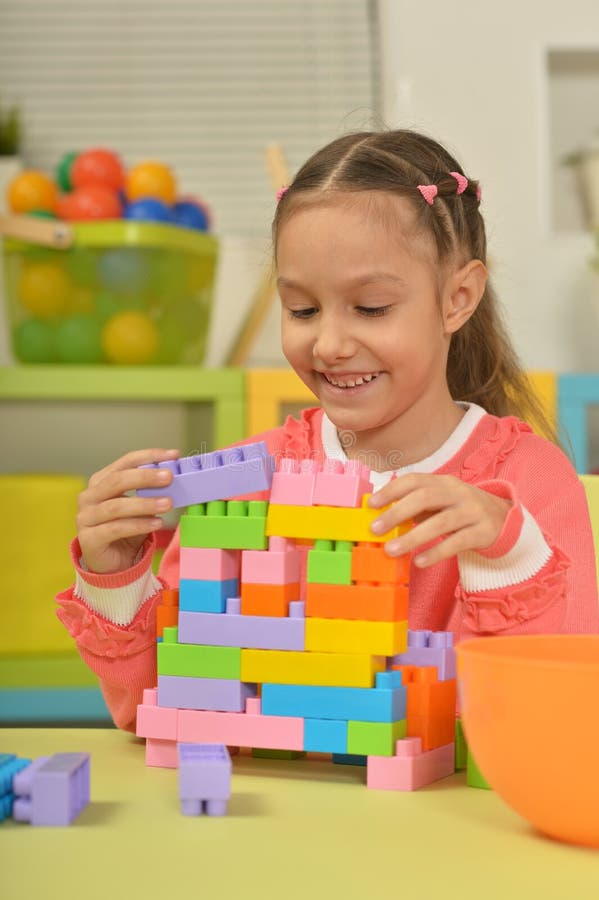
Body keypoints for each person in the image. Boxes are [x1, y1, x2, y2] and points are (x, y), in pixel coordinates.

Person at [56, 129, 599, 733]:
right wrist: (114, 575)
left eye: (370, 308)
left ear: (458, 298)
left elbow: (551, 724)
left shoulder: (529, 482)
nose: (331, 345)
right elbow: (158, 708)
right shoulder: (247, 482)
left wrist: (508, 556)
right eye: (303, 310)